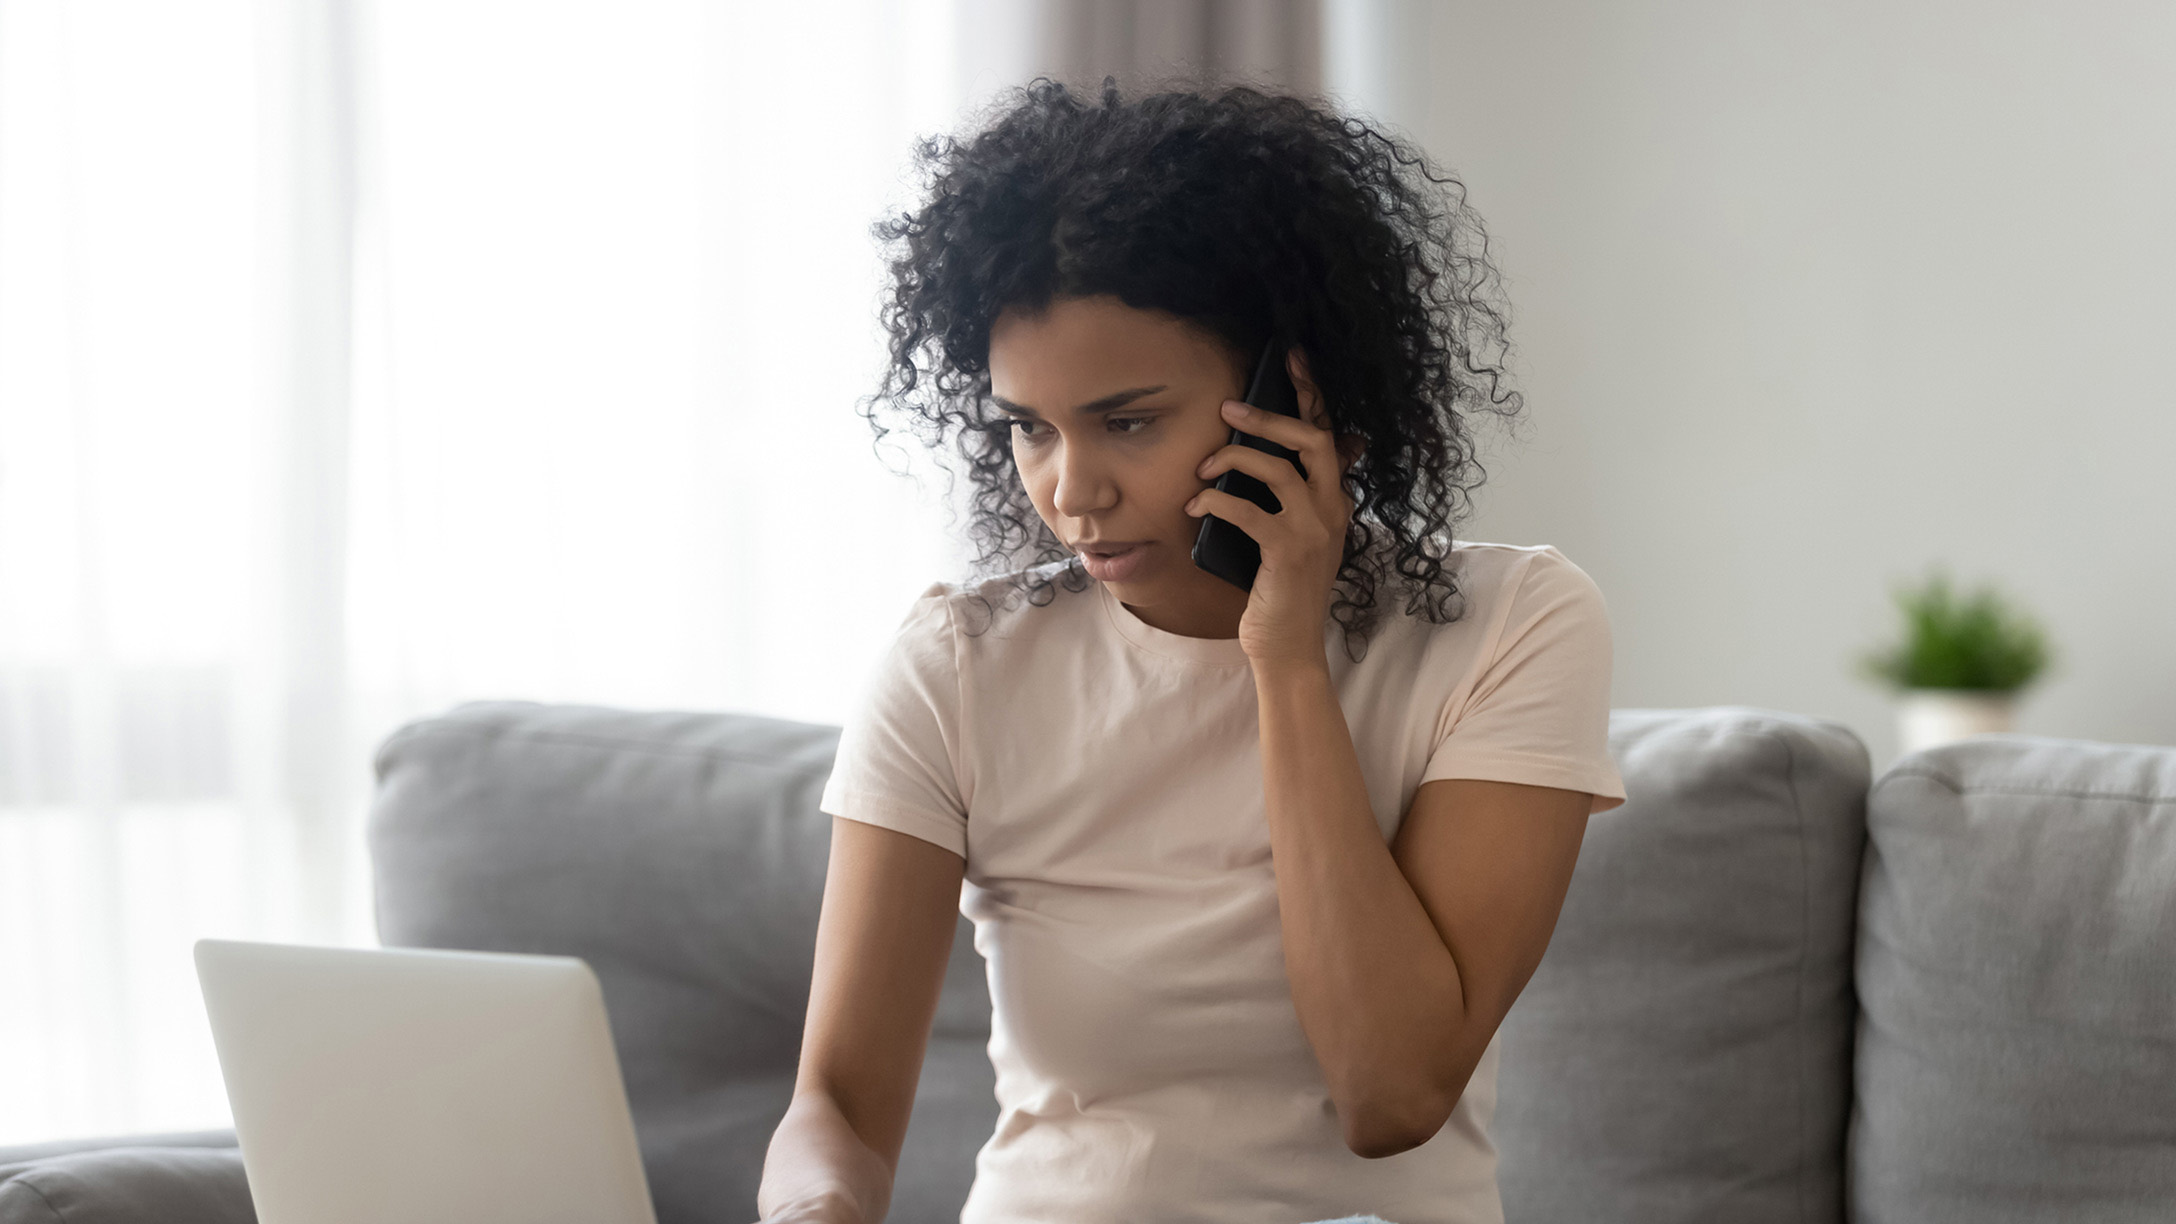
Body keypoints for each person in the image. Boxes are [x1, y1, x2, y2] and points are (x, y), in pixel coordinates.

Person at [753, 74, 1627, 1224]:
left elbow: (1391, 1092)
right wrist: (815, 1209)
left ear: (1297, 395)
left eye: (1128, 421)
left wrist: (1287, 659)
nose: (1071, 493)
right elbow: (840, 1108)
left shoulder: (1512, 625)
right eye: (1028, 429)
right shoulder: (959, 666)